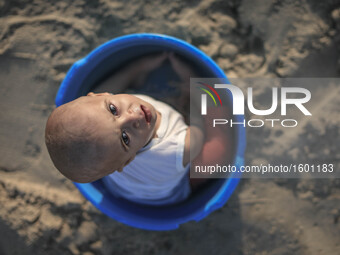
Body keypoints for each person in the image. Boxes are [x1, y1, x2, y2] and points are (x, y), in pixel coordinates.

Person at [45, 52, 208, 205]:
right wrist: (191, 87)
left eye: (113, 110)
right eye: (125, 138)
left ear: (101, 94)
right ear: (129, 159)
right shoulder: (177, 147)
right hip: (170, 195)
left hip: (122, 190)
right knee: (217, 149)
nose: (132, 117)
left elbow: (107, 96)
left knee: (103, 154)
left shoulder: (109, 147)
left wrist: (137, 67)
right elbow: (202, 129)